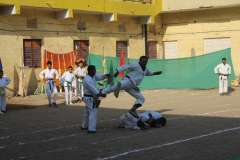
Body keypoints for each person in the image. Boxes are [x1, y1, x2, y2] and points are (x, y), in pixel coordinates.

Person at [81, 65, 111, 134]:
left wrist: (106, 75)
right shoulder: (87, 79)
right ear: (91, 71)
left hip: (90, 97)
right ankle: (91, 129)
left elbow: (99, 76)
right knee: (93, 111)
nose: (95, 71)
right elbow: (93, 89)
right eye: (94, 70)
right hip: (89, 97)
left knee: (87, 111)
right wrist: (101, 93)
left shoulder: (93, 76)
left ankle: (84, 126)